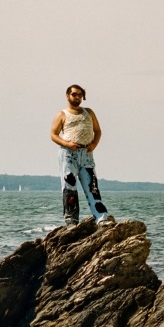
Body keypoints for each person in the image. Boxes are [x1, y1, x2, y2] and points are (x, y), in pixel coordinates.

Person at [50, 84, 113, 227]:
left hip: (86, 154)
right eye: (74, 94)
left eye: (80, 95)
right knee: (69, 186)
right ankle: (72, 221)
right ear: (68, 95)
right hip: (68, 154)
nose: (77, 97)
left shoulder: (89, 112)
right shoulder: (62, 115)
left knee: (92, 186)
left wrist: (94, 145)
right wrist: (67, 144)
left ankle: (101, 218)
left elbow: (98, 131)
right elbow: (53, 135)